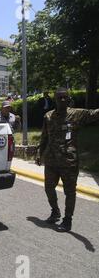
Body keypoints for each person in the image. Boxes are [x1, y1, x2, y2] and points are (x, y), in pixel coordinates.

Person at [36, 88, 99, 232]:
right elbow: (44, 137)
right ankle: (55, 211)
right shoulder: (48, 116)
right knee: (48, 188)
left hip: (68, 162)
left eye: (65, 98)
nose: (62, 100)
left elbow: (94, 113)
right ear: (55, 100)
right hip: (51, 161)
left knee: (70, 192)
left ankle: (67, 219)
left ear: (69, 99)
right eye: (60, 98)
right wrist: (40, 154)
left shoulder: (76, 114)